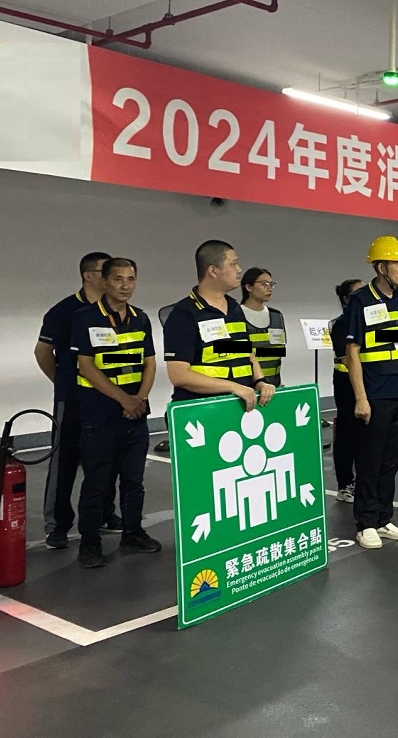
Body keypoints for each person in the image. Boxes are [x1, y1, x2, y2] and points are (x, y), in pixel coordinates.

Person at [70, 258, 160, 568]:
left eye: (131, 279)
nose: (125, 285)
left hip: (136, 413)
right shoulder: (85, 318)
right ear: (105, 281)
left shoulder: (141, 318)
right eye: (118, 279)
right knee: (98, 481)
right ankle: (90, 543)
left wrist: (140, 399)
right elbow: (86, 367)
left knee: (134, 480)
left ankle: (132, 532)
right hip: (100, 414)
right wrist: (125, 400)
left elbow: (150, 362)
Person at [34, 251, 121, 549]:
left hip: (107, 397)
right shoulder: (64, 311)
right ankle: (57, 525)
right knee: (65, 462)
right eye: (106, 271)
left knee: (106, 460)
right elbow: (42, 352)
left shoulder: (115, 311)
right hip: (72, 399)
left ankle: (105, 513)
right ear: (89, 275)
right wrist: (62, 382)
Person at [346, 236, 398, 549]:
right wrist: (361, 398)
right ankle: (366, 523)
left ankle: (384, 519)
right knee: (370, 461)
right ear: (380, 267)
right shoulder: (360, 301)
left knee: (390, 461)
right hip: (376, 394)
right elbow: (352, 352)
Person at [162, 240, 276, 411]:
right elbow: (179, 375)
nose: (239, 270)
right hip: (203, 411)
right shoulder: (184, 314)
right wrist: (233, 387)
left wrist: (260, 381)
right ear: (213, 271)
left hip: (239, 408)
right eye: (233, 264)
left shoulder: (235, 308)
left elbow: (247, 353)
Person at [331, 278, 363, 503]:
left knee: (364, 436)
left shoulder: (365, 321)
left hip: (367, 383)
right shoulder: (341, 324)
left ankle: (362, 480)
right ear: (346, 299)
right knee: (347, 434)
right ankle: (345, 484)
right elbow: (348, 358)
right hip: (345, 383)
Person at [240, 268, 286, 386]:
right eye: (264, 284)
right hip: (246, 387)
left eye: (271, 284)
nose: (269, 288)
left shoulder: (277, 316)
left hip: (274, 385)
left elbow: (280, 351)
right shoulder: (235, 315)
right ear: (248, 287)